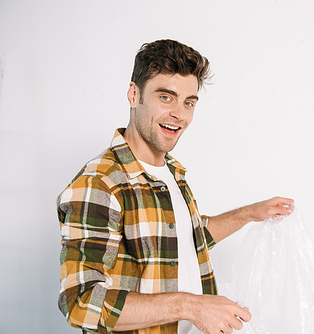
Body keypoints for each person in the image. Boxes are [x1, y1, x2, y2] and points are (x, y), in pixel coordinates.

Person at [57, 39, 294, 334]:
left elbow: (185, 239)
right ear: (134, 94)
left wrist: (249, 214)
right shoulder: (101, 183)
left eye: (189, 102)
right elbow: (80, 301)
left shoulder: (171, 172)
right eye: (166, 97)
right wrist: (192, 306)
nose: (179, 114)